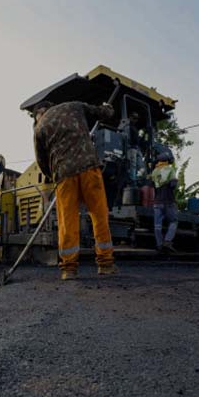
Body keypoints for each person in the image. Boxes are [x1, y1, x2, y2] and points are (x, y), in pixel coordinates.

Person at [33, 100, 118, 280]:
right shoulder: (74, 106)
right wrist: (108, 107)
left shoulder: (39, 127)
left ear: (39, 113)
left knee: (67, 221)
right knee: (99, 215)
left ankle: (69, 269)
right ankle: (106, 264)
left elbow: (42, 161)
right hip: (89, 166)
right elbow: (103, 113)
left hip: (64, 175)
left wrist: (53, 174)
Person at [151, 152, 178, 253]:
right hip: (168, 201)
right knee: (173, 221)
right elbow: (173, 185)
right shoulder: (170, 169)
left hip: (157, 202)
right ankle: (167, 241)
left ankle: (159, 244)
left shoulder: (154, 171)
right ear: (168, 161)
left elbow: (152, 184)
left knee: (157, 225)